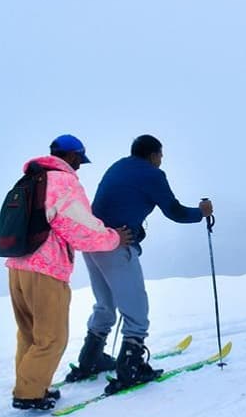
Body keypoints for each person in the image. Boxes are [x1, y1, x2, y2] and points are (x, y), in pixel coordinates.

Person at [67, 134, 213, 394]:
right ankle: (130, 368)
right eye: (161, 155)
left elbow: (115, 203)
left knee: (105, 304)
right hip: (117, 245)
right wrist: (201, 213)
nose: (161, 160)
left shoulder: (119, 166)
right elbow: (174, 211)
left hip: (94, 243)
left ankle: (90, 359)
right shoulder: (152, 174)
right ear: (154, 154)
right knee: (136, 309)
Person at [6, 134, 133, 410]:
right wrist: (114, 238)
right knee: (52, 337)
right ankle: (28, 394)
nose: (79, 167)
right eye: (79, 161)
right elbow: (81, 229)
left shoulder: (31, 179)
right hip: (46, 269)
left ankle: (32, 384)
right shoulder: (63, 182)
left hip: (17, 266)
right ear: (73, 156)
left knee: (29, 334)